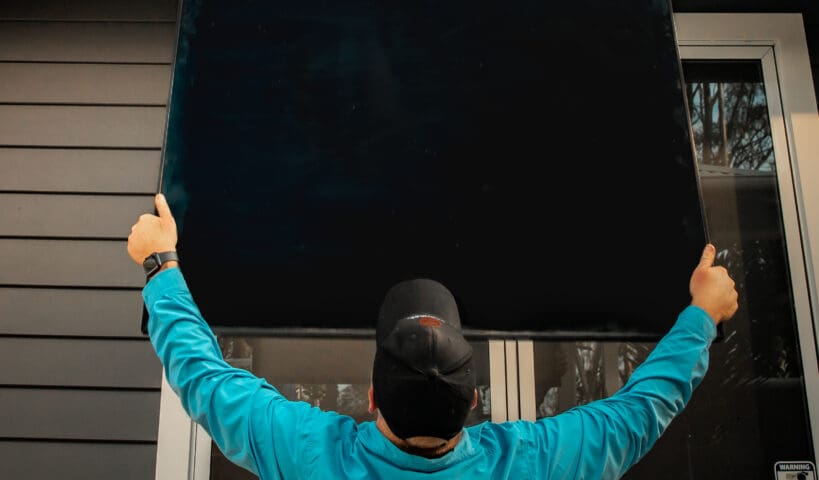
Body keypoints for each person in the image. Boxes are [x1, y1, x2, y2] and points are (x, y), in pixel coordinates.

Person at [128, 192, 738, 479]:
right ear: (473, 400)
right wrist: (701, 315)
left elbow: (204, 379)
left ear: (369, 397)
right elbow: (640, 411)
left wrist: (162, 266)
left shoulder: (311, 456)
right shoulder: (532, 465)